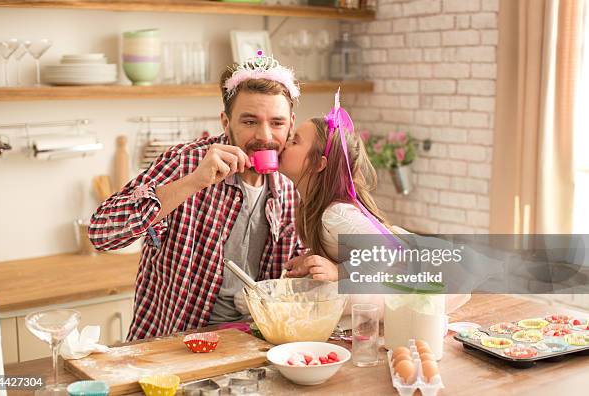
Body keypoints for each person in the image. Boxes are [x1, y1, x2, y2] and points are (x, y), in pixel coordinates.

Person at [88, 53, 314, 340]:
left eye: (277, 123)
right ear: (225, 121)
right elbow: (101, 233)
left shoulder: (292, 181)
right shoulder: (187, 163)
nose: (264, 135)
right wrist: (194, 182)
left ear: (291, 123)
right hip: (175, 346)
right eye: (249, 121)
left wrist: (320, 265)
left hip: (256, 342)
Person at [278, 90, 470, 316]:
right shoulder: (313, 206)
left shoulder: (335, 213)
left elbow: (383, 252)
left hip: (426, 275)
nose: (284, 144)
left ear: (318, 164)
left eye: (294, 141)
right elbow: (346, 248)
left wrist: (338, 271)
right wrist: (311, 258)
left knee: (321, 300)